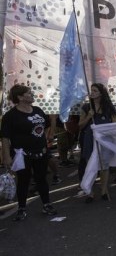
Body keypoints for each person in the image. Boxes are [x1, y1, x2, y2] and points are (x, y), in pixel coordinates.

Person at [1, 84, 57, 221]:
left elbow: (45, 127)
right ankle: (21, 208)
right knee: (23, 181)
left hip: (41, 153)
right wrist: (7, 157)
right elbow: (5, 138)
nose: (32, 94)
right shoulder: (10, 116)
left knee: (41, 179)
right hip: (22, 155)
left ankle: (47, 204)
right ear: (19, 97)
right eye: (28, 93)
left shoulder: (37, 110)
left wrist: (47, 138)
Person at [78, 83, 116, 203]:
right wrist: (88, 117)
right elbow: (80, 126)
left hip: (105, 139)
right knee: (89, 164)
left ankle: (104, 190)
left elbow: (115, 123)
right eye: (91, 90)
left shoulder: (108, 107)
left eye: (95, 90)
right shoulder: (86, 107)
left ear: (101, 93)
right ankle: (89, 192)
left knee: (104, 165)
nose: (92, 92)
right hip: (90, 139)